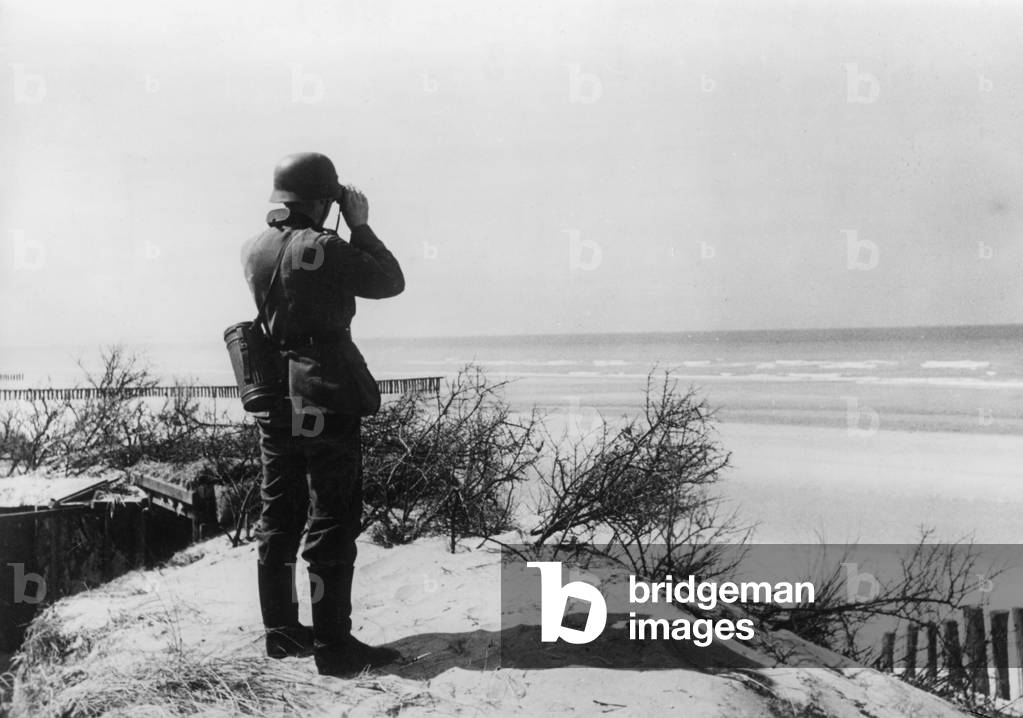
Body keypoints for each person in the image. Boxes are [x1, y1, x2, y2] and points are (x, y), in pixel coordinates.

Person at [241, 152, 405, 676]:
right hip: (324, 391)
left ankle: (282, 634)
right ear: (323, 198)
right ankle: (334, 647)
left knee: (279, 515)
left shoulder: (255, 247)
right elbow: (389, 280)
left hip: (274, 396)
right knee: (332, 518)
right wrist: (360, 224)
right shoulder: (325, 247)